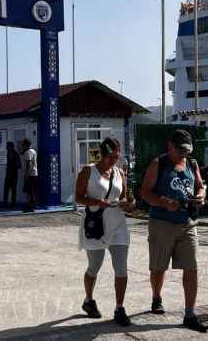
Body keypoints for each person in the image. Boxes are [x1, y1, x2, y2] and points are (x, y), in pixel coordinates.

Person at [140, 130, 208, 333]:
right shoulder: (158, 164)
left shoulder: (191, 163)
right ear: (170, 146)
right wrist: (163, 202)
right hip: (162, 222)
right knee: (158, 267)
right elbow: (145, 192)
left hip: (187, 223)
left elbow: (200, 186)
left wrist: (200, 195)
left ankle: (190, 313)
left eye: (186, 151)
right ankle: (156, 297)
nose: (183, 155)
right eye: (180, 151)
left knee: (192, 268)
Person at [75, 138, 135, 326]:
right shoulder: (88, 171)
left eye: (116, 156)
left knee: (121, 268)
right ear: (102, 154)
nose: (113, 160)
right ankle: (88, 300)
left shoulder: (119, 172)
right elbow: (78, 198)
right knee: (94, 267)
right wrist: (97, 202)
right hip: (96, 226)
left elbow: (124, 196)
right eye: (110, 157)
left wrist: (128, 204)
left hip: (118, 226)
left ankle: (119, 307)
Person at [1, 142, 21, 208]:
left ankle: (13, 204)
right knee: (6, 189)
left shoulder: (16, 154)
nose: (6, 147)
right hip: (8, 174)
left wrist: (12, 165)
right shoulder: (8, 154)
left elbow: (19, 165)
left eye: (7, 146)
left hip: (14, 175)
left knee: (13, 189)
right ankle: (5, 203)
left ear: (11, 147)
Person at [21, 139, 38, 212]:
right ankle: (33, 205)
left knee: (29, 191)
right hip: (34, 173)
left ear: (25, 145)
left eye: (23, 145)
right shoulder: (33, 151)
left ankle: (31, 207)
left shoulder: (28, 152)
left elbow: (29, 163)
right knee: (32, 190)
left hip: (30, 174)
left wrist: (26, 174)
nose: (22, 146)